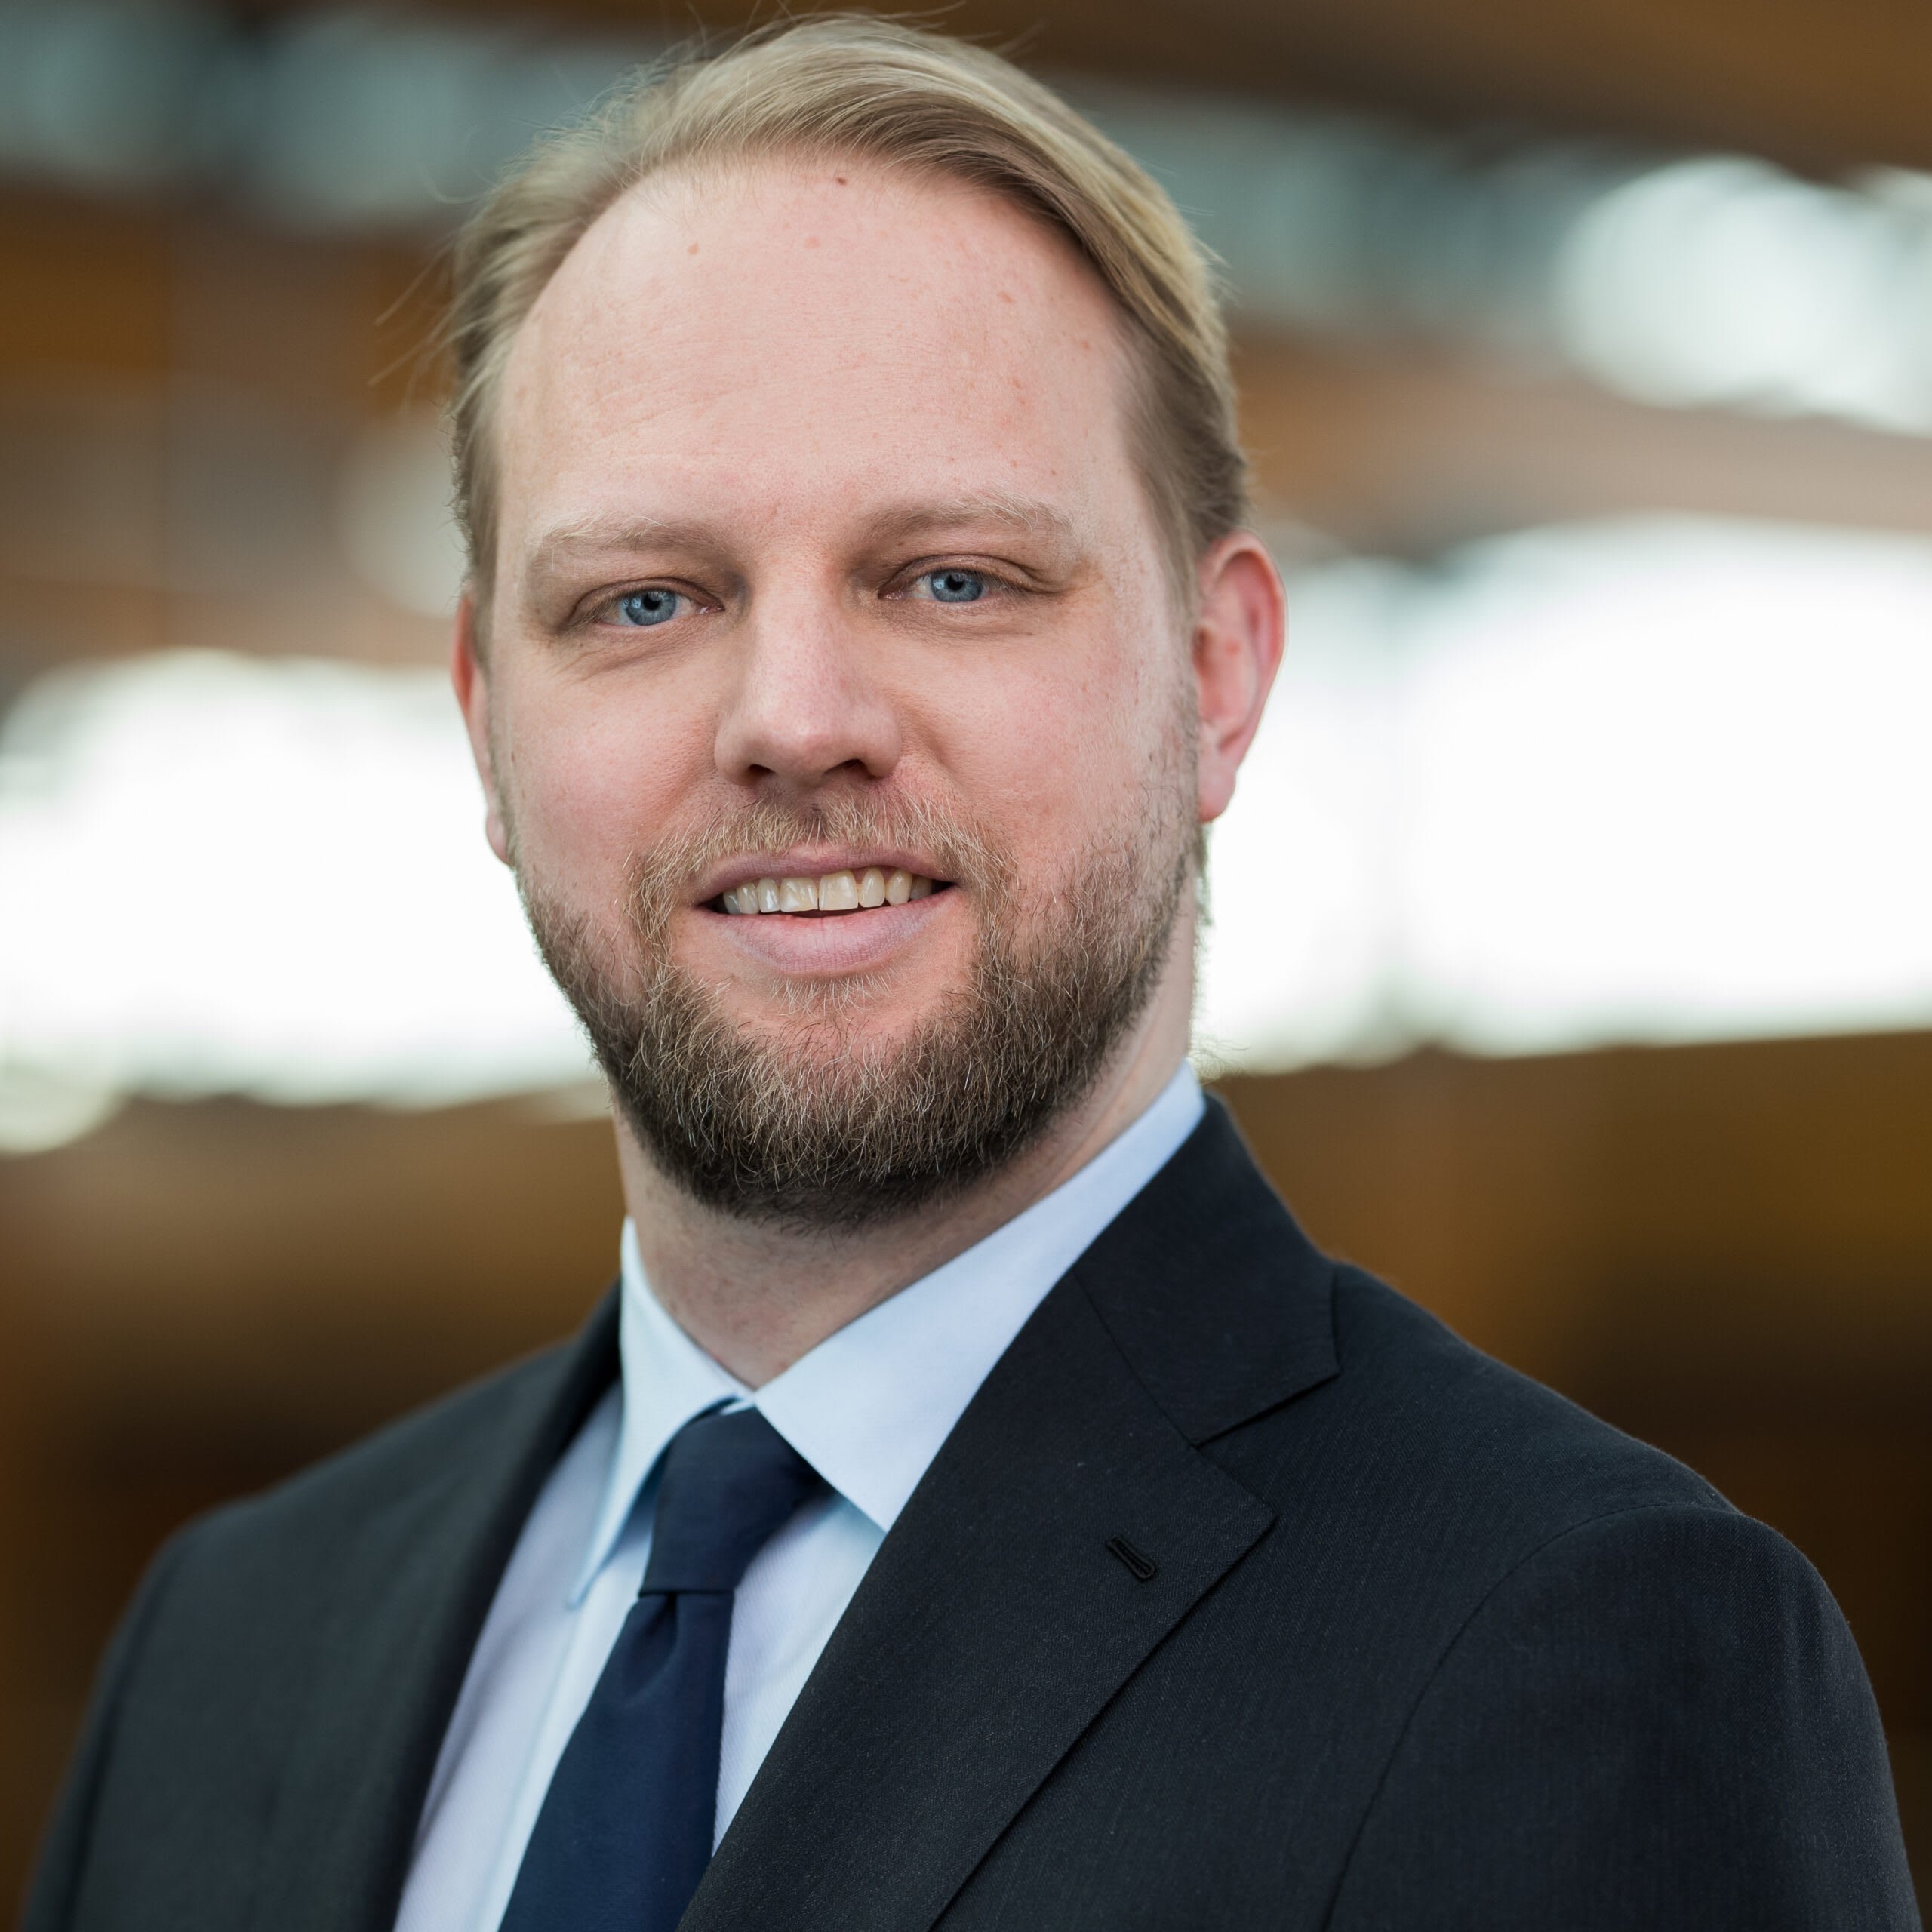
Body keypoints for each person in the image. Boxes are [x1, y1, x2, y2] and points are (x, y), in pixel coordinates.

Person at [24, 18, 1919, 1931]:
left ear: (1214, 677)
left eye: (952, 577)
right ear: (483, 718)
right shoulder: (229, 1641)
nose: (792, 718)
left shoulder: (1579, 1638)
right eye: (643, 600)